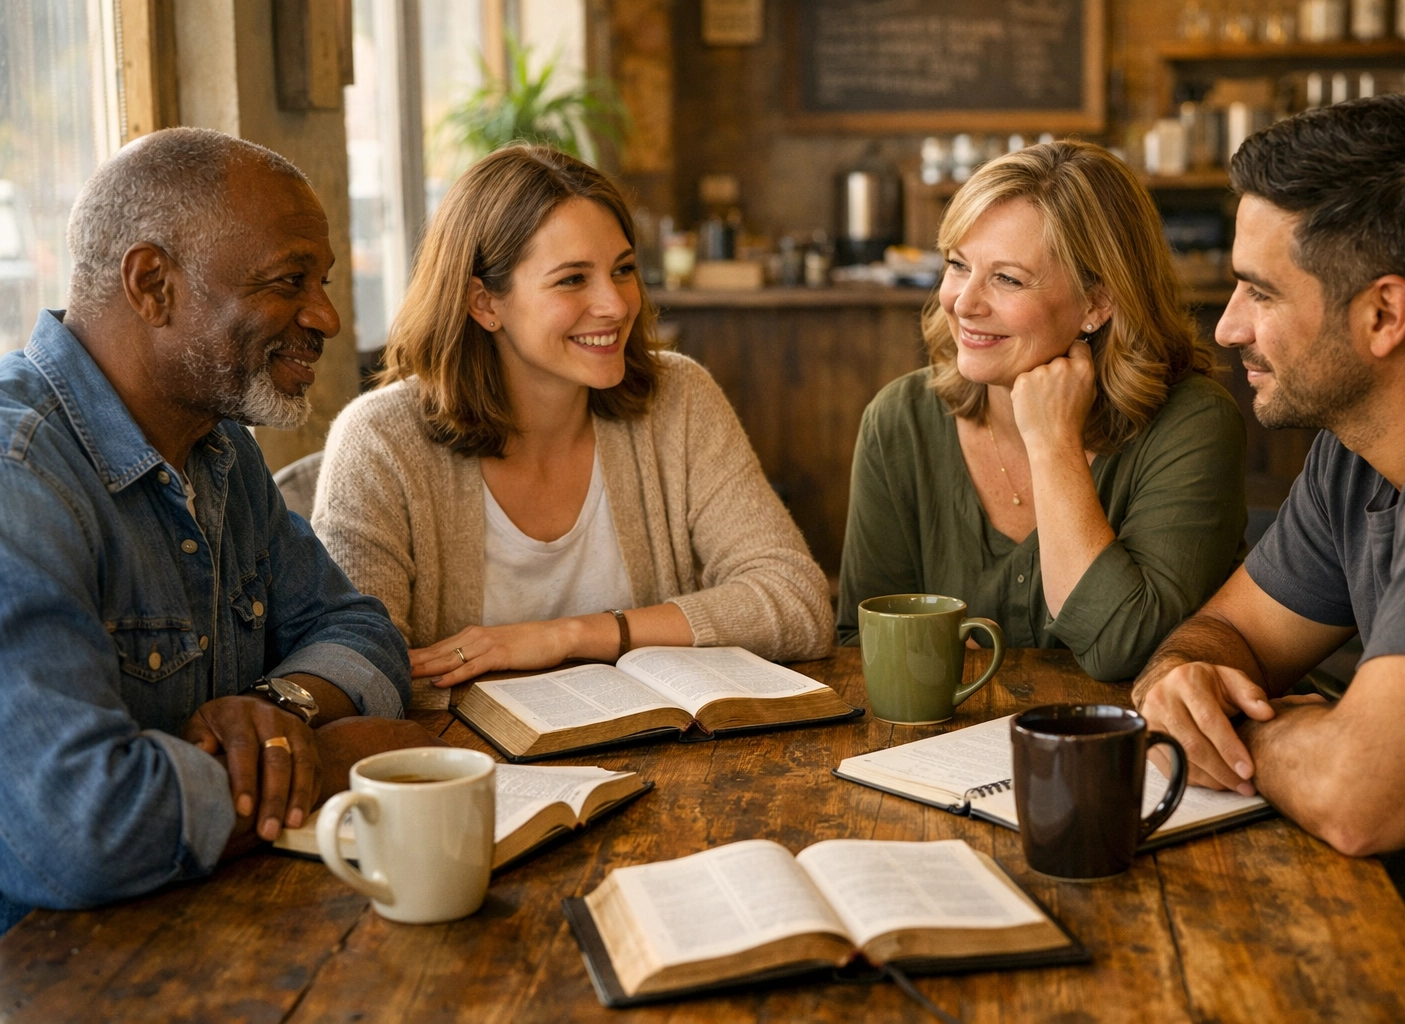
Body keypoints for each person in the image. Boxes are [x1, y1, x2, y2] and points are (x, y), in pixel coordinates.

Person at [1131, 95, 1405, 1022]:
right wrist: (1189, 679)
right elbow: (1227, 630)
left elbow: (1363, 797)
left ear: (1385, 312)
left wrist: (1244, 734)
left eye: (1260, 292)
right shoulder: (1358, 450)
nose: (1228, 327)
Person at [0, 128, 439, 933]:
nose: (328, 317)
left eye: (326, 281)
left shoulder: (218, 446)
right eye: (289, 282)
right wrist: (333, 759)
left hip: (208, 932)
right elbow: (83, 827)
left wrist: (276, 712)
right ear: (152, 284)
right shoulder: (16, 480)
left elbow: (358, 628)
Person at [312, 145, 832, 690]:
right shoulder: (379, 441)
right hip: (469, 765)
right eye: (572, 279)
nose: (615, 304)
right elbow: (359, 669)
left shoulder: (678, 399)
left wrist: (567, 635)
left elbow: (796, 601)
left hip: (668, 755)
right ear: (484, 303)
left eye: (623, 269)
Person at [837, 141, 1247, 682]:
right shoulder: (900, 420)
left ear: (1097, 303)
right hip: (942, 756)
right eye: (958, 265)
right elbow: (862, 641)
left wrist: (1053, 444)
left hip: (1130, 755)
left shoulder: (1193, 423)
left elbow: (1124, 650)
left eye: (1007, 278)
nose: (963, 302)